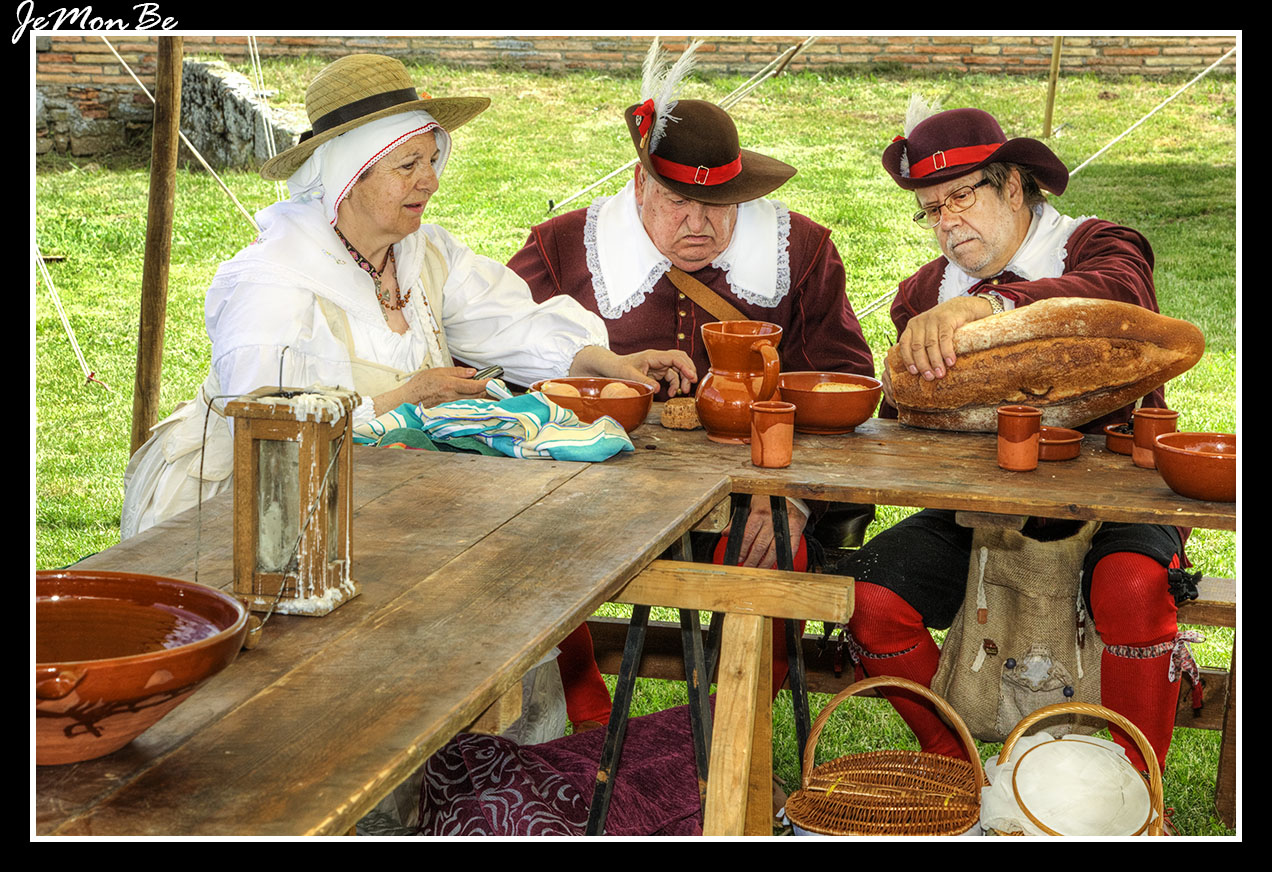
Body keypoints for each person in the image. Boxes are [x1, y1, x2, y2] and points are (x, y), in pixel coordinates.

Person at [121, 53, 695, 541]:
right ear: (350, 177)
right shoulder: (274, 283)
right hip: (259, 521)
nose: (431, 180)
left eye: (432, 160)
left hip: (383, 503)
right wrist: (409, 396)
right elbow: (269, 436)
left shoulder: (423, 253)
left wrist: (605, 362)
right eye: (408, 165)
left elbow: (508, 323)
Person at [507, 60, 875, 737]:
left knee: (775, 555)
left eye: (718, 205)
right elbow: (498, 360)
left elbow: (843, 384)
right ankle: (588, 736)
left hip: (749, 496)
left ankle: (724, 750)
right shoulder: (563, 250)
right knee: (521, 545)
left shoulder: (801, 251)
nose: (699, 224)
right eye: (677, 202)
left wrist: (791, 498)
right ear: (638, 185)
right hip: (588, 492)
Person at [837, 102, 1197, 776]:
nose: (946, 222)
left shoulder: (1099, 244)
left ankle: (1134, 787)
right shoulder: (923, 293)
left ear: (1012, 185)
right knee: (870, 599)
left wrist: (988, 304)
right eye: (930, 209)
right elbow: (911, 416)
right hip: (979, 504)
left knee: (1133, 584)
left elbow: (1119, 295)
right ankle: (956, 767)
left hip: (1119, 495)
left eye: (959, 198)